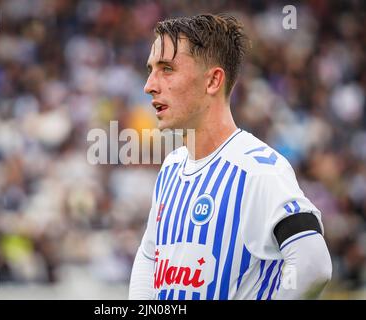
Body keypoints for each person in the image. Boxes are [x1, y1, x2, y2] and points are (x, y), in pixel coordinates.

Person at [128, 13, 332, 300]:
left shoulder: (258, 170)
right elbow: (149, 256)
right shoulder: (172, 168)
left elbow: (313, 265)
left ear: (213, 81)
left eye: (167, 69)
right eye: (151, 69)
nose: (149, 85)